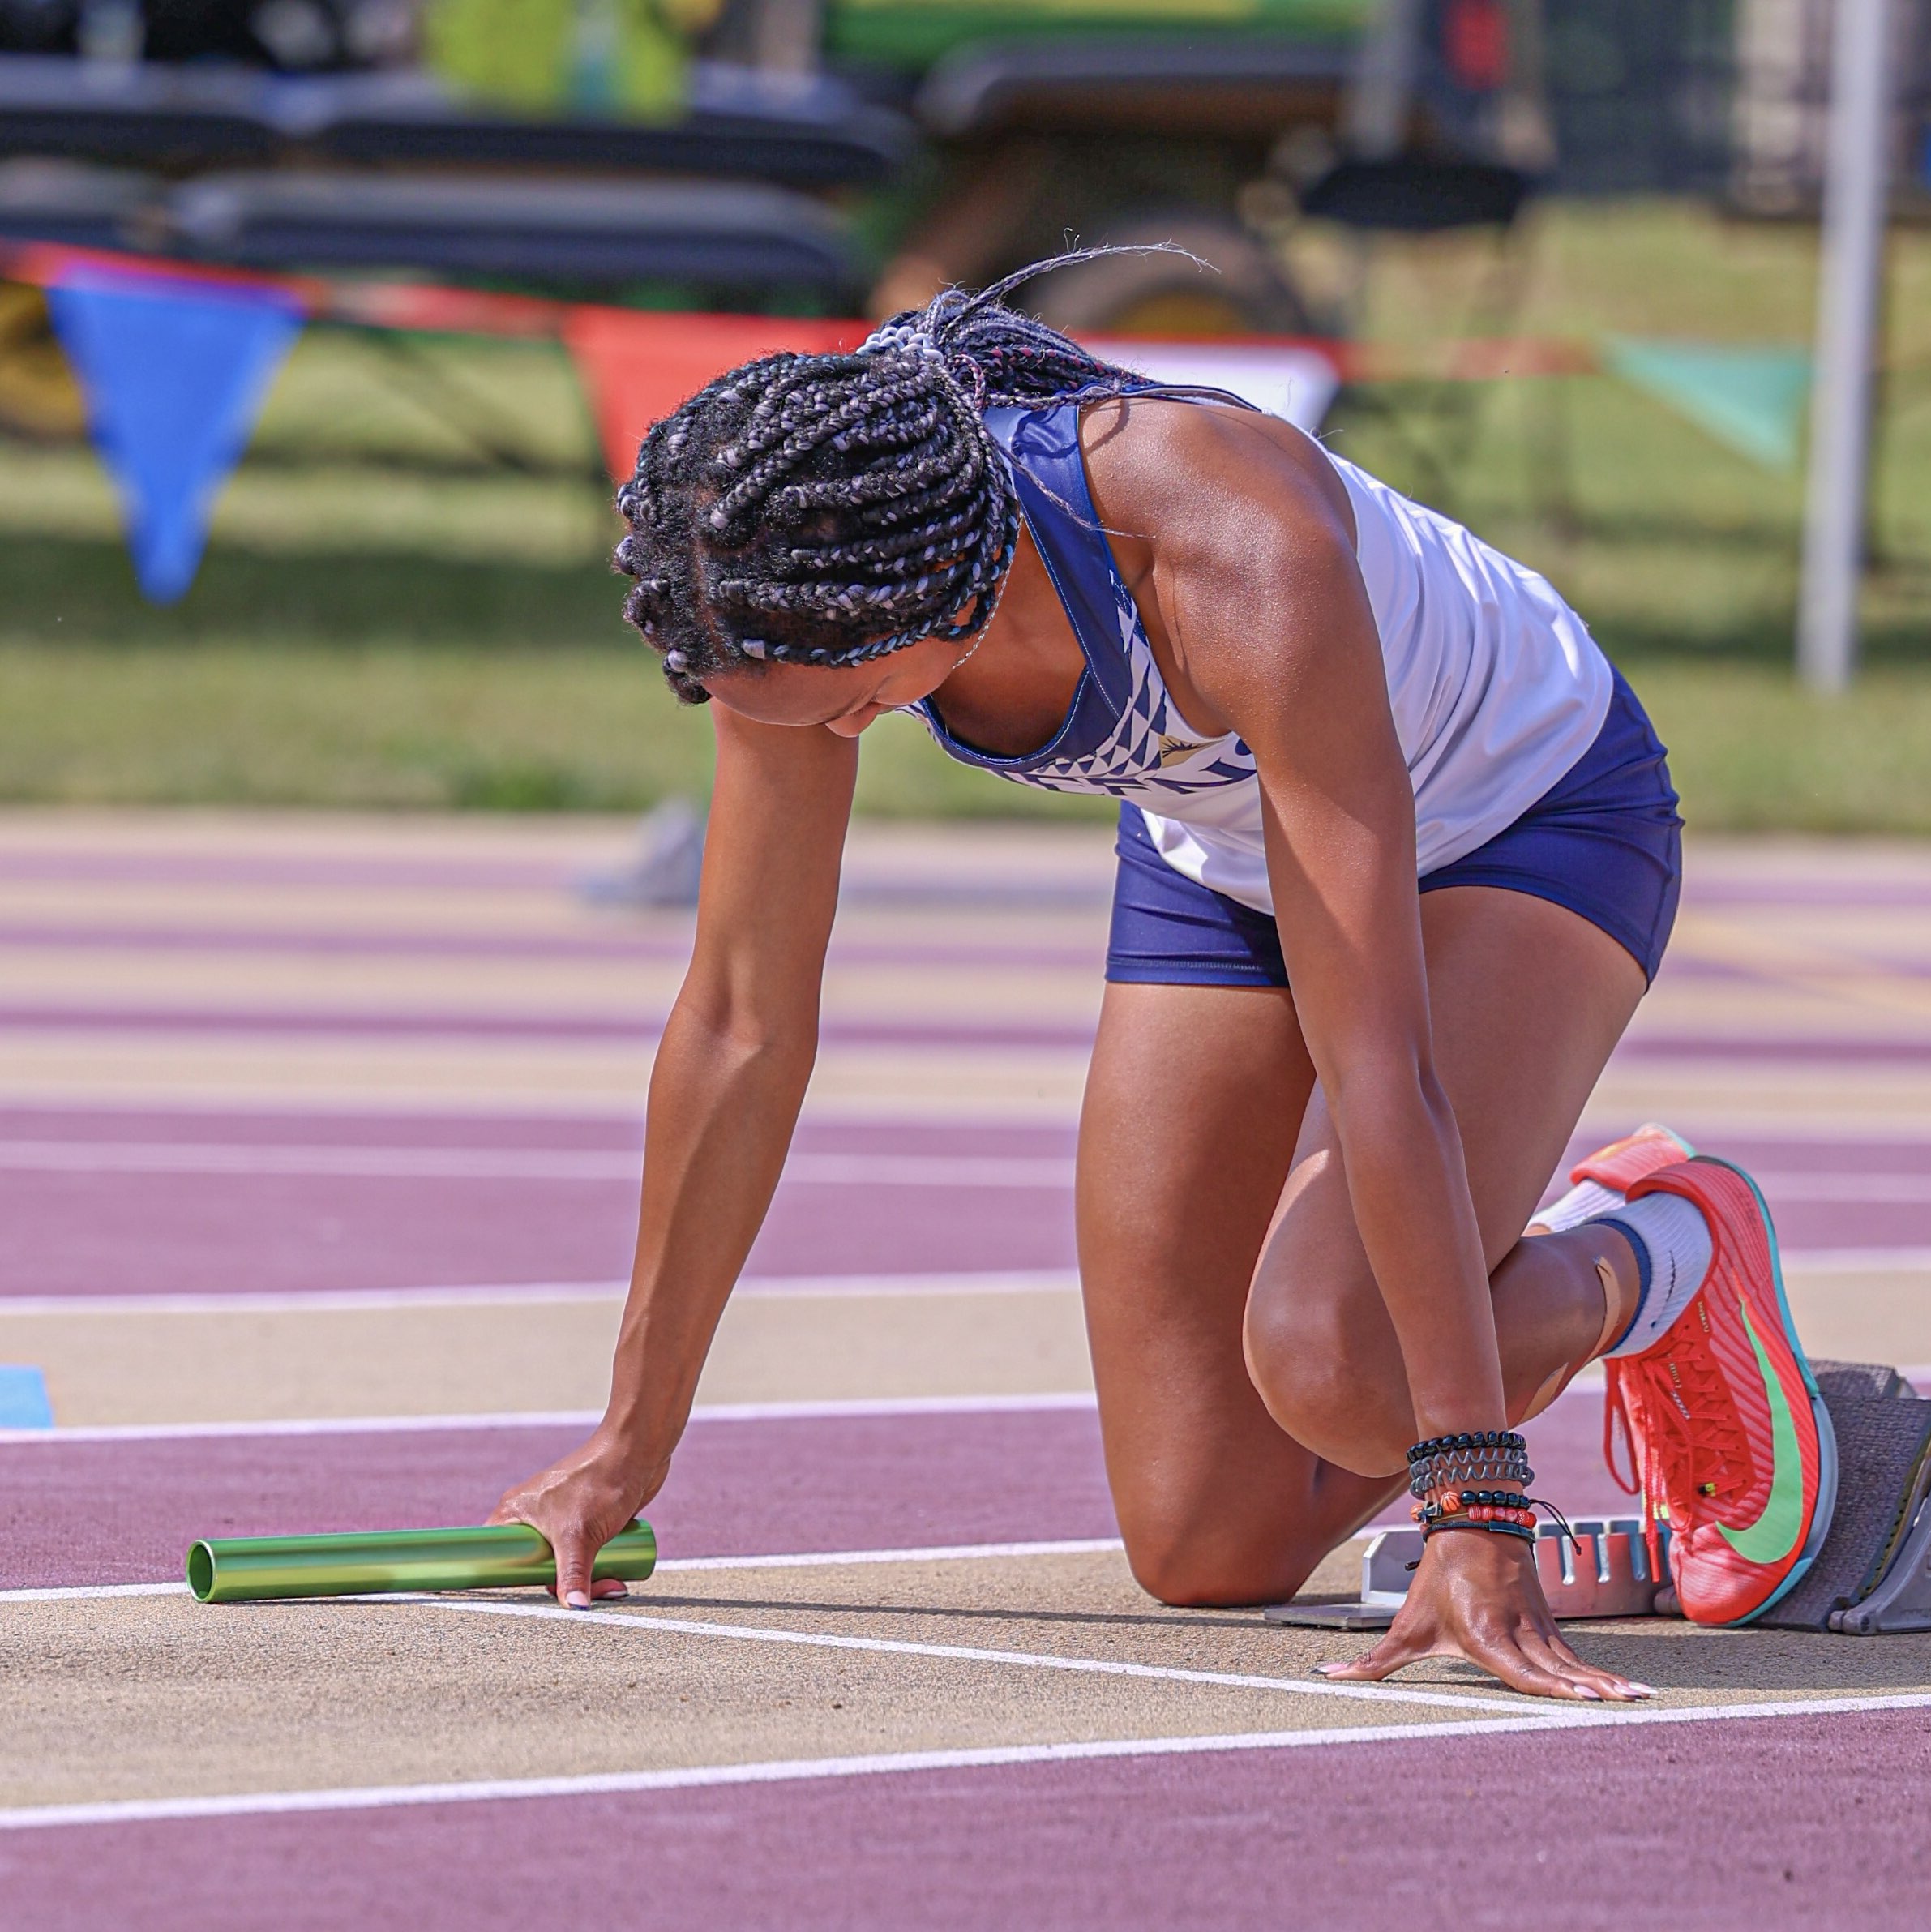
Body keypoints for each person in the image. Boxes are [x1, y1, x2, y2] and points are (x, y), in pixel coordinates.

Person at [490, 252, 1835, 1701]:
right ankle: (1544, 1310)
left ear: (933, 593)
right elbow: (744, 1024)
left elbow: (1379, 1056)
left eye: (856, 707)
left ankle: (1657, 1254)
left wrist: (1472, 1500)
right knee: (1207, 1542)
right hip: (1231, 845)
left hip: (1521, 813)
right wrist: (630, 1440)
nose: (829, 737)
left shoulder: (1224, 537)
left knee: (1336, 1361)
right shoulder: (798, 594)